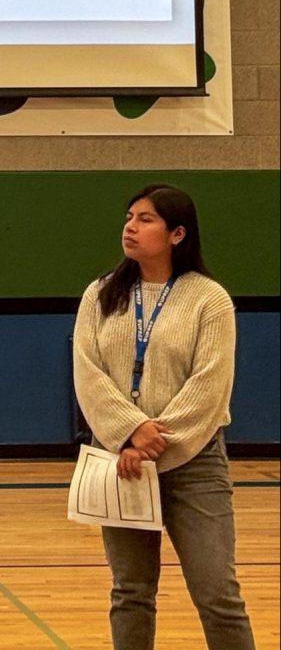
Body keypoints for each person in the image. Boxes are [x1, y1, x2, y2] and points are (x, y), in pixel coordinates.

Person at [73, 183, 256, 650]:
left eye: (145, 219)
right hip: (123, 462)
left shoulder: (209, 299)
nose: (130, 228)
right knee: (131, 593)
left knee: (218, 593)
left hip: (194, 465)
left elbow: (210, 385)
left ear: (177, 234)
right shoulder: (100, 295)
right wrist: (130, 433)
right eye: (128, 217)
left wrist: (156, 439)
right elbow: (88, 374)